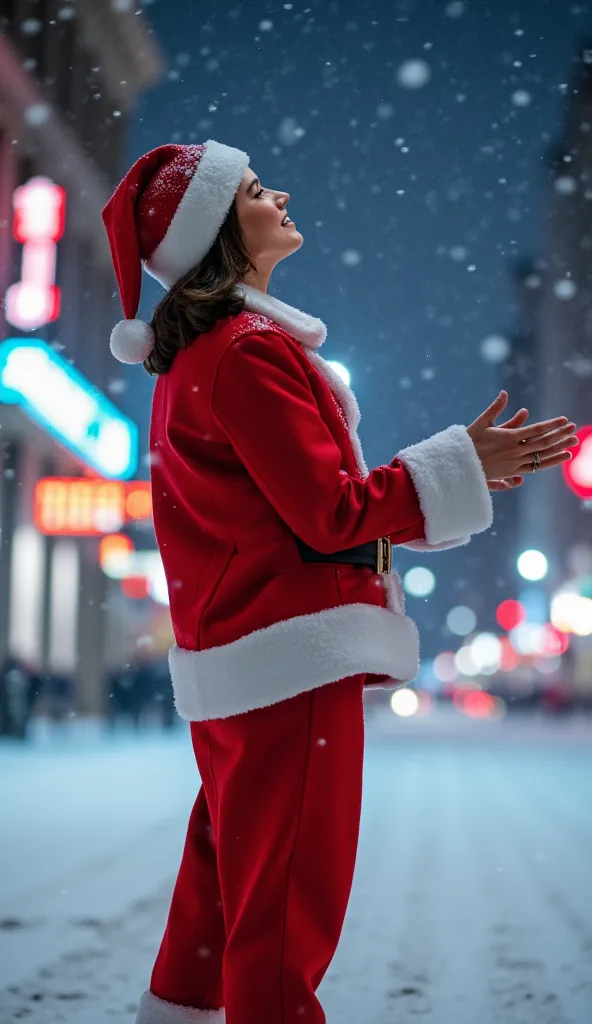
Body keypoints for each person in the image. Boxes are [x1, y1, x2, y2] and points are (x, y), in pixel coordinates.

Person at [102, 141, 577, 1024]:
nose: (277, 192)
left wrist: (448, 476)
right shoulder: (246, 352)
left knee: (228, 878)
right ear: (214, 232)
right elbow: (329, 512)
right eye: (250, 191)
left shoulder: (201, 357)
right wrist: (461, 463)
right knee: (286, 900)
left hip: (241, 659)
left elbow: (301, 513)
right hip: (287, 658)